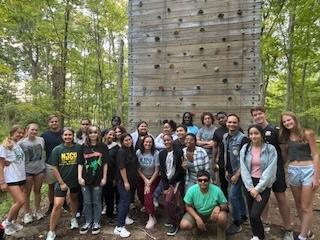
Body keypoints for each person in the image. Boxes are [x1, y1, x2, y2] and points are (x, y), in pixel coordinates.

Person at [251, 106, 293, 239]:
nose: (258, 116)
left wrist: (280, 166)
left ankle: (288, 228)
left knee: (281, 198)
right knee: (263, 199)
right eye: (255, 114)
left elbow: (284, 150)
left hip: (276, 171)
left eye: (260, 113)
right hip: (261, 172)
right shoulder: (254, 131)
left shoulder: (274, 130)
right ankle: (265, 222)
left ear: (265, 114)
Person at [279, 112, 319, 240]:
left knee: (305, 206)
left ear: (294, 119)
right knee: (298, 203)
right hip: (293, 171)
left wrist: (316, 177)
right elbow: (284, 156)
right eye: (284, 122)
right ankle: (307, 231)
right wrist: (280, 170)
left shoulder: (307, 133)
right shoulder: (286, 137)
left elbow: (316, 155)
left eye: (289, 120)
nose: (287, 123)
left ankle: (302, 237)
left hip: (308, 170)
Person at [240, 124, 277, 240]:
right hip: (249, 183)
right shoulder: (245, 148)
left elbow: (270, 171)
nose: (253, 136)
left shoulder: (270, 149)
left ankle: (260, 237)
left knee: (255, 214)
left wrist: (257, 189)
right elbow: (244, 169)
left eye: (256, 133)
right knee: (251, 213)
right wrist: (251, 188)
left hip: (264, 184)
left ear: (261, 135)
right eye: (251, 134)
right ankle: (256, 235)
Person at [46, 128, 82, 240]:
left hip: (75, 181)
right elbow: (54, 167)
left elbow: (81, 163)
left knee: (74, 199)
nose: (68, 137)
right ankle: (51, 231)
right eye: (65, 135)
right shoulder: (57, 149)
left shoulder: (78, 148)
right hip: (62, 181)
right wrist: (61, 182)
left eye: (70, 135)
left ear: (73, 136)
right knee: (58, 204)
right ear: (62, 136)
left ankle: (73, 218)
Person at [180, 170, 228, 240]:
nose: (203, 182)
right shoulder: (191, 190)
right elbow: (187, 206)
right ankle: (195, 227)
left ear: (209, 181)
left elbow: (226, 205)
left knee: (222, 217)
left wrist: (218, 207)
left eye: (205, 180)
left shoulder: (217, 190)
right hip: (198, 213)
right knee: (184, 225)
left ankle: (221, 232)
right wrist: (197, 218)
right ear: (197, 181)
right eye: (200, 180)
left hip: (213, 214)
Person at [78, 125, 108, 235]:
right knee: (87, 202)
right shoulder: (83, 147)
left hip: (98, 179)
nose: (93, 134)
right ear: (88, 134)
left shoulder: (103, 147)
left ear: (98, 134)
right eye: (91, 132)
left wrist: (104, 177)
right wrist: (79, 177)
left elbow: (105, 163)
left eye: (95, 132)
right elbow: (80, 163)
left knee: (96, 201)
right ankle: (88, 222)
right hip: (85, 179)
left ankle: (96, 222)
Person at [223, 114, 248, 235]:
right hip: (230, 171)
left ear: (238, 124)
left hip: (240, 172)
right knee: (238, 195)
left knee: (232, 196)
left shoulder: (243, 139)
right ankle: (243, 215)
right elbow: (226, 154)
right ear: (226, 123)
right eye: (229, 122)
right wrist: (227, 170)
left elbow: (245, 159)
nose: (231, 124)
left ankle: (237, 223)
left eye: (234, 122)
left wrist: (237, 174)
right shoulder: (225, 137)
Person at [0, 125, 25, 236]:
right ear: (12, 132)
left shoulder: (17, 145)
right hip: (11, 178)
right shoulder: (5, 146)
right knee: (21, 201)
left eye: (21, 133)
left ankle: (14, 222)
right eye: (18, 132)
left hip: (20, 177)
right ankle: (6, 223)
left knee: (16, 202)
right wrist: (2, 181)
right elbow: (0, 165)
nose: (20, 134)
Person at [19, 123, 46, 224]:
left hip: (40, 169)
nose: (34, 132)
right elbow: (17, 156)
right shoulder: (21, 143)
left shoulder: (41, 140)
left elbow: (43, 153)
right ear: (27, 130)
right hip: (27, 171)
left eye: (36, 130)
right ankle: (27, 213)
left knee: (37, 191)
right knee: (27, 192)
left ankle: (37, 211)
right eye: (32, 130)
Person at [159, 134, 185, 236]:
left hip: (177, 181)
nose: (166, 142)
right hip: (167, 181)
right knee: (170, 201)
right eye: (164, 140)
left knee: (169, 201)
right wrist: (165, 185)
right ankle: (173, 217)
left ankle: (175, 223)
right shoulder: (162, 154)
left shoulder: (179, 152)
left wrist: (171, 183)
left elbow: (180, 170)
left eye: (168, 140)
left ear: (172, 140)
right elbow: (162, 170)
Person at [114, 134, 138, 238]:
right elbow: (122, 168)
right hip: (124, 181)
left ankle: (123, 219)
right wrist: (126, 182)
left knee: (126, 201)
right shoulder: (121, 152)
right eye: (126, 140)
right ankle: (119, 227)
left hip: (132, 181)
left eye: (130, 139)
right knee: (124, 202)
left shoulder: (131, 150)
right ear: (122, 141)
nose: (128, 141)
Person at [41, 115, 63, 215]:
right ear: (49, 123)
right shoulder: (44, 136)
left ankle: (64, 203)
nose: (54, 123)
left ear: (59, 122)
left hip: (64, 163)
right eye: (52, 122)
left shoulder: (64, 133)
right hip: (50, 164)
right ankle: (51, 205)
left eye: (56, 121)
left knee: (64, 184)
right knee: (51, 186)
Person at [136, 135, 160, 229]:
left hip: (153, 178)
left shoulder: (156, 153)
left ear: (153, 143)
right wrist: (145, 181)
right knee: (140, 195)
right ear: (143, 143)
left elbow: (157, 170)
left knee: (148, 196)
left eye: (150, 142)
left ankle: (152, 217)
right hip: (141, 178)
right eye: (146, 142)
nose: (148, 144)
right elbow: (138, 169)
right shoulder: (138, 152)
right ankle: (147, 207)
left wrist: (149, 182)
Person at [102, 128, 120, 221]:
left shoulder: (116, 147)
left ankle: (110, 214)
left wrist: (115, 178)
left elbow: (118, 164)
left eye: (113, 135)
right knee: (100, 195)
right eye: (110, 134)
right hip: (99, 175)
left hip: (111, 175)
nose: (111, 136)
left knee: (110, 195)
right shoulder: (100, 146)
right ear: (105, 135)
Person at [212, 111, 229, 199]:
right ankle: (225, 204)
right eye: (219, 119)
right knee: (223, 184)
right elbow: (215, 147)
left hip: (235, 162)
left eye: (222, 117)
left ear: (227, 117)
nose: (221, 120)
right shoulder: (217, 132)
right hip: (222, 161)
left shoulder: (236, 128)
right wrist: (214, 161)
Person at [196, 112, 217, 176]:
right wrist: (207, 142)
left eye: (209, 118)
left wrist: (202, 144)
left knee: (211, 174)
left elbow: (213, 144)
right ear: (203, 120)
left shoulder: (215, 130)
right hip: (201, 156)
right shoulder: (201, 130)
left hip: (211, 157)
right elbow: (197, 142)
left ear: (212, 119)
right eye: (205, 119)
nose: (207, 120)